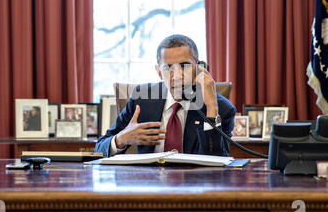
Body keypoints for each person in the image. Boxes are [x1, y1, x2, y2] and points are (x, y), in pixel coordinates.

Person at [95, 34, 236, 157]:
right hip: (149, 184)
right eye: (168, 68)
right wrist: (120, 140)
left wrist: (211, 108)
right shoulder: (142, 98)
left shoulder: (221, 107)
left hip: (194, 184)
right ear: (159, 72)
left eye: (184, 66)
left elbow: (217, 161)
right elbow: (99, 149)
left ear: (199, 68)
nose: (177, 76)